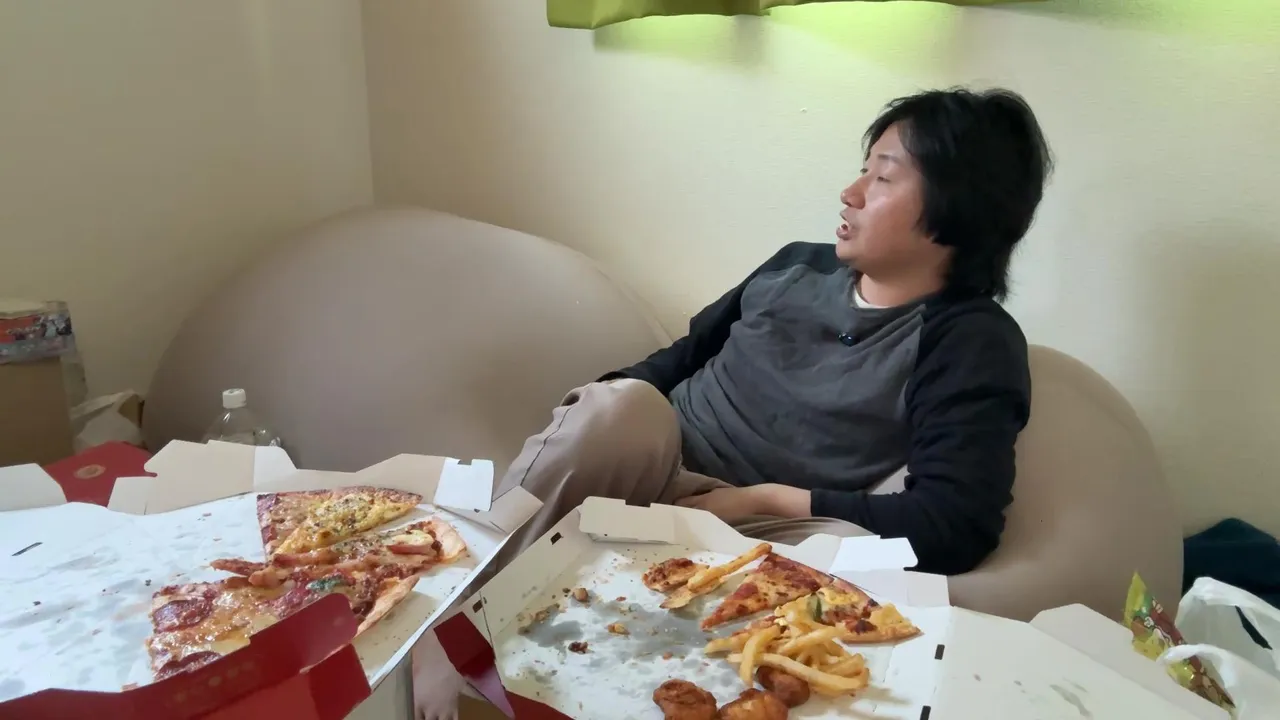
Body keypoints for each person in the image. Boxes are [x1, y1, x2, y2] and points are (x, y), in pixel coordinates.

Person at [412, 86, 1052, 719]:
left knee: (860, 558)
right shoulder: (796, 267)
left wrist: (761, 499)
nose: (850, 193)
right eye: (863, 170)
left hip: (763, 530)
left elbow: (955, 524)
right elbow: (678, 359)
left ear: (957, 208)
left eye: (882, 178)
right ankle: (449, 625)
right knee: (622, 407)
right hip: (657, 464)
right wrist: (592, 421)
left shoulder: (970, 339)